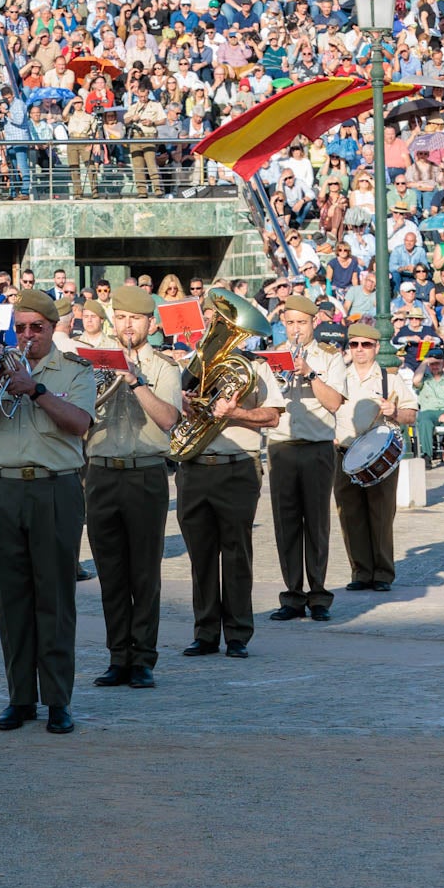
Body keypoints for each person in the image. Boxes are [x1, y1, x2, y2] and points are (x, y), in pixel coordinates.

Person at [0, 290, 95, 735]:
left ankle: (58, 700)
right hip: (4, 489)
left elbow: (80, 423)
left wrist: (36, 389)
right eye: (19, 328)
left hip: (54, 489)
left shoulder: (75, 370)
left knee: (54, 599)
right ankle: (20, 697)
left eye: (35, 328)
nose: (26, 336)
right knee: (10, 598)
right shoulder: (1, 366)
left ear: (53, 327)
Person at [83, 287, 181, 689]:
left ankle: (143, 658)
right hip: (102, 472)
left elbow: (168, 419)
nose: (127, 325)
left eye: (135, 319)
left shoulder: (163, 367)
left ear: (149, 324)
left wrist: (136, 382)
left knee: (143, 572)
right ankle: (117, 656)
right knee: (110, 573)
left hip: (145, 473)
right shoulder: (89, 363)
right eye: (121, 317)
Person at [178, 292, 284, 660]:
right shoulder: (195, 364)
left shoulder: (256, 367)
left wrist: (235, 413)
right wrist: (188, 406)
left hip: (237, 465)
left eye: (220, 321)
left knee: (236, 552)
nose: (214, 326)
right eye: (212, 319)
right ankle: (205, 632)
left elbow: (272, 416)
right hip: (195, 467)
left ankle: (238, 633)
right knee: (200, 555)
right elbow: (180, 411)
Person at [265, 296, 347, 622]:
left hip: (317, 446)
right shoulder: (272, 357)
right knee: (285, 524)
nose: (296, 329)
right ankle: (292, 596)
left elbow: (335, 403)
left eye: (302, 323)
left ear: (313, 322)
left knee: (316, 522)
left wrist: (310, 373)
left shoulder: (330, 357)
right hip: (282, 445)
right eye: (290, 323)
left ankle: (319, 596)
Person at [333, 324, 418, 591]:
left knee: (381, 515)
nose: (359, 350)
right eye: (354, 344)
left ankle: (382, 573)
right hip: (344, 455)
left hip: (380, 458)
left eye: (366, 345)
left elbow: (411, 414)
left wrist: (394, 411)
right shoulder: (339, 378)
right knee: (349, 515)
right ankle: (360, 572)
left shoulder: (389, 380)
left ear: (376, 348)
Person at [413, 349, 444, 464]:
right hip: (428, 412)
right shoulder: (424, 379)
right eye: (432, 364)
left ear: (443, 363)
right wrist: (424, 362)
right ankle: (427, 456)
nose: (435, 366)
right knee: (424, 421)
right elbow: (415, 380)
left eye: (438, 363)